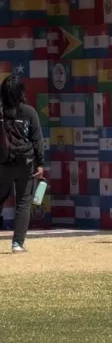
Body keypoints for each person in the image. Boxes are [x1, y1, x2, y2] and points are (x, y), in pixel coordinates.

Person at [0, 75, 44, 253]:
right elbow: (37, 140)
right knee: (23, 202)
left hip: (2, 162)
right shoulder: (29, 112)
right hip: (26, 162)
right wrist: (40, 163)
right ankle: (17, 243)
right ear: (21, 92)